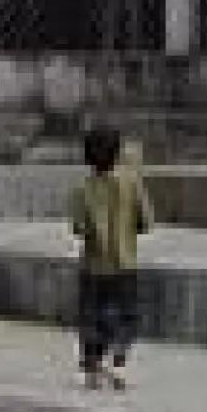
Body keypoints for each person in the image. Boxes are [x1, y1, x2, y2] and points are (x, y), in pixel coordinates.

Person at [70, 124, 155, 390]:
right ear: (118, 153)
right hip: (125, 265)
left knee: (91, 316)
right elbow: (147, 222)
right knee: (126, 315)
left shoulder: (82, 190)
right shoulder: (132, 184)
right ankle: (119, 364)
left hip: (93, 268)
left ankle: (93, 369)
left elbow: (78, 229)